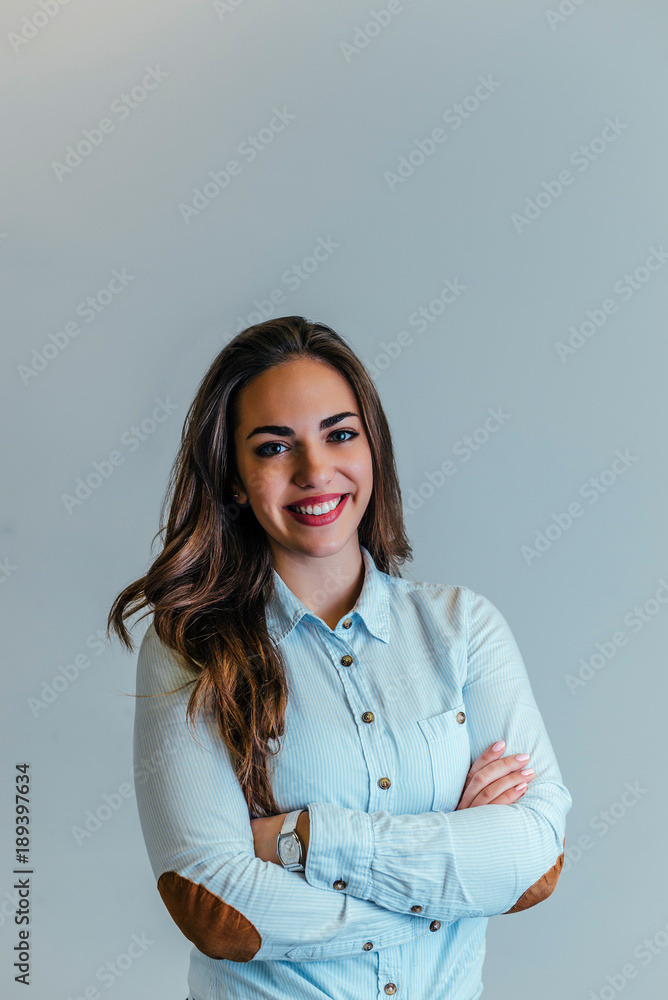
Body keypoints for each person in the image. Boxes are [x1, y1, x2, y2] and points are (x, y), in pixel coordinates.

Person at [108, 315, 571, 1000]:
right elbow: (215, 908)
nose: (315, 471)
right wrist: (452, 878)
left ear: (372, 448)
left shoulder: (464, 628)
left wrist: (301, 838)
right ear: (234, 478)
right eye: (273, 448)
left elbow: (534, 861)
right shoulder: (191, 647)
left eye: (340, 434)